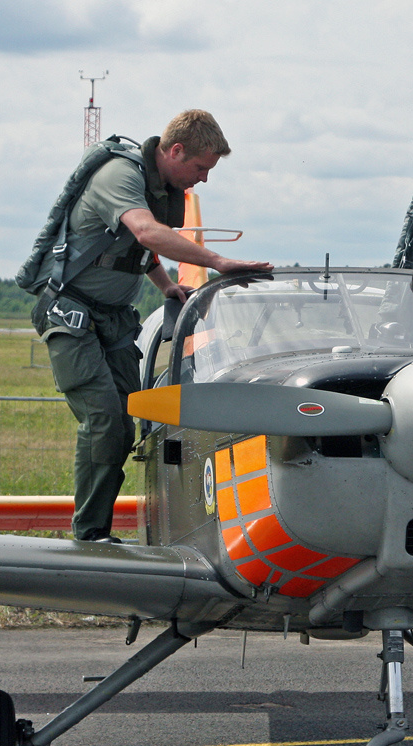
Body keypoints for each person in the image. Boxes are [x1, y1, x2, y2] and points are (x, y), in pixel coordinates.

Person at [29, 109, 273, 542]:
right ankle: (90, 535)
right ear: (175, 151)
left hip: (112, 320)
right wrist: (216, 261)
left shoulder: (157, 186)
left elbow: (134, 251)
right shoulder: (119, 175)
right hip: (72, 315)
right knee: (105, 421)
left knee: (128, 422)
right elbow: (144, 233)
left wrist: (166, 285)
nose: (203, 179)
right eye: (200, 168)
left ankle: (96, 531)